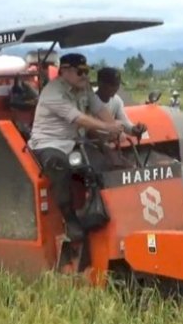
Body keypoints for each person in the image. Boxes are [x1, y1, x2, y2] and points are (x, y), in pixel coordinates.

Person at [28, 53, 124, 242]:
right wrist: (107, 127)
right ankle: (70, 220)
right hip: (48, 143)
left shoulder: (84, 89)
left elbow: (99, 110)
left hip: (73, 142)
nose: (85, 76)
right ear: (64, 71)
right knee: (59, 165)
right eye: (81, 72)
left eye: (87, 72)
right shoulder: (53, 93)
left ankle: (97, 210)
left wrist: (114, 129)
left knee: (101, 163)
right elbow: (78, 118)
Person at [95, 67, 147, 137]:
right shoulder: (88, 101)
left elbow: (124, 121)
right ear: (100, 84)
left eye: (117, 85)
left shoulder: (117, 101)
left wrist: (133, 129)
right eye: (112, 85)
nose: (116, 88)